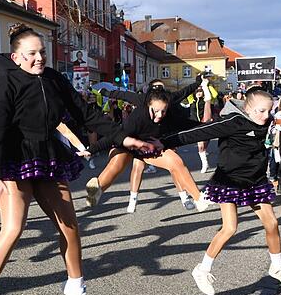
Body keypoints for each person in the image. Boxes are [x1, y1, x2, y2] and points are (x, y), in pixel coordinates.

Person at [0, 24, 155, 295]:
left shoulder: (55, 80)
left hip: (48, 154)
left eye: (42, 52)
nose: (39, 58)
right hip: (15, 159)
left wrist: (127, 140)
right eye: (32, 54)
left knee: (69, 224)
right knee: (14, 228)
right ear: (16, 57)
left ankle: (75, 284)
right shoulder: (2, 89)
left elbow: (87, 114)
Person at [159, 87, 281, 295]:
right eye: (260, 111)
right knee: (230, 228)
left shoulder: (266, 118)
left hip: (256, 180)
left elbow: (275, 121)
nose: (264, 116)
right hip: (230, 180)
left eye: (268, 111)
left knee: (272, 223)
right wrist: (162, 142)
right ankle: (202, 269)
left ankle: (277, 267)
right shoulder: (233, 122)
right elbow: (199, 132)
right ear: (247, 108)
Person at [83, 81, 208, 213]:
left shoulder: (168, 105)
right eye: (156, 111)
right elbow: (116, 131)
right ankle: (97, 189)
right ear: (149, 98)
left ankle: (198, 199)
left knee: (176, 162)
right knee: (116, 165)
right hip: (128, 143)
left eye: (163, 111)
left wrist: (208, 126)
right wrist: (92, 149)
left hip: (149, 147)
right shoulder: (138, 113)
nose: (160, 115)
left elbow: (184, 107)